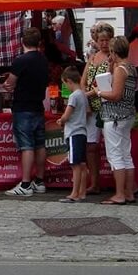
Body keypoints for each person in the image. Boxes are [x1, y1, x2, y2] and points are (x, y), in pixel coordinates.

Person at [3, 27, 49, 197]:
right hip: (38, 105)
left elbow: (10, 83)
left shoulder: (20, 61)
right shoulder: (43, 60)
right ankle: (40, 180)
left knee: (26, 146)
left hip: (23, 107)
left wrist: (8, 85)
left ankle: (26, 183)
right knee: (40, 144)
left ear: (23, 41)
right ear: (39, 42)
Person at [95, 36, 137, 205]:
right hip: (127, 115)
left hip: (115, 116)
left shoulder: (120, 69)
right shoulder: (131, 67)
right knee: (126, 155)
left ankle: (119, 194)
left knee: (115, 156)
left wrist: (99, 92)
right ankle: (129, 192)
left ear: (114, 51)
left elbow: (115, 95)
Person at [80, 22, 114, 195]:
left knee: (111, 146)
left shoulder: (113, 59)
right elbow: (84, 79)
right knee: (91, 146)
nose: (104, 43)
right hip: (92, 108)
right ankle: (94, 182)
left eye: (107, 40)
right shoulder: (92, 57)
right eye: (101, 40)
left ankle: (121, 183)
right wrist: (84, 97)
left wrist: (89, 94)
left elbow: (108, 83)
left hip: (107, 106)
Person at [57, 66, 89, 203]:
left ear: (69, 81)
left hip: (73, 132)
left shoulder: (73, 96)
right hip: (82, 131)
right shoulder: (83, 94)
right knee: (82, 165)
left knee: (75, 165)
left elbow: (67, 115)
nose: (66, 86)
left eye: (65, 84)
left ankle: (74, 193)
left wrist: (61, 121)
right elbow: (88, 111)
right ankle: (82, 192)